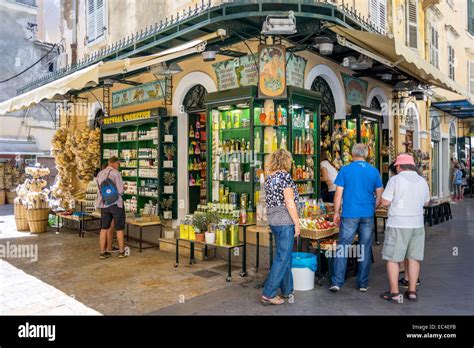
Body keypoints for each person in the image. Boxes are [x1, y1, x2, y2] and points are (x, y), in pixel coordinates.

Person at [329, 143, 383, 293]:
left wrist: (336, 212)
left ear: (352, 154)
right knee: (364, 247)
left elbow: (338, 193)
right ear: (366, 154)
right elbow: (379, 194)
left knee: (343, 246)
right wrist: (373, 208)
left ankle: (337, 282)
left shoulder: (345, 170)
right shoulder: (373, 171)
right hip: (367, 214)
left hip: (349, 214)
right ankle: (363, 283)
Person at [380, 154, 430, 303]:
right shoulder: (422, 181)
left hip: (398, 224)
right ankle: (412, 291)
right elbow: (426, 202)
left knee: (393, 259)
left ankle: (394, 292)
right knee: (413, 258)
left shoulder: (395, 180)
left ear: (399, 166)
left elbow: (385, 202)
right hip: (417, 224)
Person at [261, 149, 300, 305]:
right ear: (287, 161)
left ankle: (287, 289)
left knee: (285, 255)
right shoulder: (285, 177)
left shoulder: (270, 177)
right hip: (285, 221)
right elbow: (289, 203)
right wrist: (297, 222)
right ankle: (268, 294)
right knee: (282, 257)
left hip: (274, 220)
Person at [95, 156, 128, 259]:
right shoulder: (116, 173)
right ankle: (121, 252)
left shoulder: (100, 173)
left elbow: (99, 189)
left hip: (104, 204)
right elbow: (120, 191)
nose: (119, 167)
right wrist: (124, 188)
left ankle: (102, 252)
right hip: (116, 204)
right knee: (119, 228)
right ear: (115, 163)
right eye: (118, 164)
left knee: (104, 228)